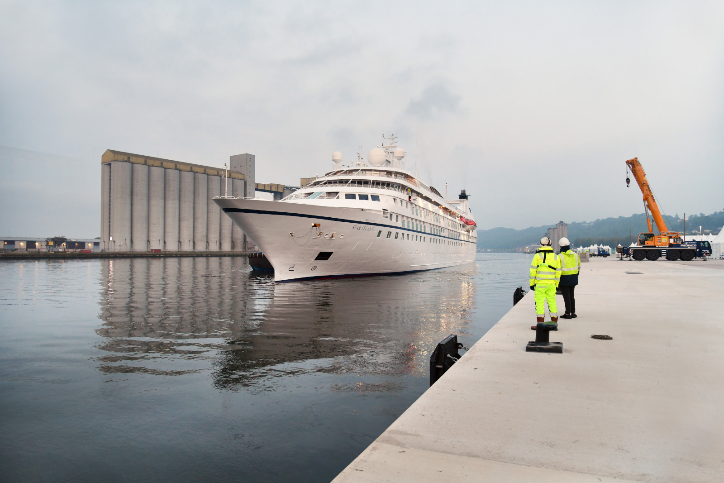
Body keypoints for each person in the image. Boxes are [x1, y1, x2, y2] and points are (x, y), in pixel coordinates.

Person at [529, 237, 561, 329]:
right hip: (551, 284)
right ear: (550, 244)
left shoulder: (537, 256)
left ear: (540, 244)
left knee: (539, 303)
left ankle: (540, 324)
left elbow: (532, 272)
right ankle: (554, 323)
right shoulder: (556, 256)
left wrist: (531, 284)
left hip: (540, 284)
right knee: (552, 302)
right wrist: (556, 284)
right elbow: (558, 272)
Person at [557, 237, 580, 319]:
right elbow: (579, 266)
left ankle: (567, 313)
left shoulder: (560, 256)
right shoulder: (575, 255)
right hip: (574, 277)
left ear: (561, 247)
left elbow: (558, 269)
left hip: (564, 278)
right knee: (571, 295)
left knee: (566, 296)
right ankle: (573, 312)